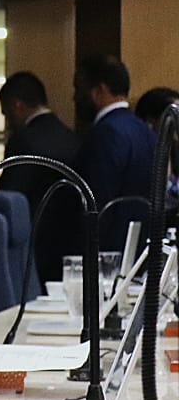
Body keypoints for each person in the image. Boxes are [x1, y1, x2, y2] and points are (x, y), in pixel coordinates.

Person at [0, 70, 80, 280]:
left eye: (6, 113)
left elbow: (10, 195)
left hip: (30, 244)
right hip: (69, 240)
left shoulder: (22, 141)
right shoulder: (73, 138)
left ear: (16, 105)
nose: (8, 121)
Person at [68, 54, 154, 256]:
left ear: (99, 90)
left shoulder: (106, 133)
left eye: (79, 89)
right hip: (141, 250)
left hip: (108, 256)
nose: (74, 98)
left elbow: (98, 202)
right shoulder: (145, 131)